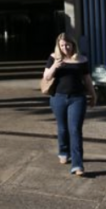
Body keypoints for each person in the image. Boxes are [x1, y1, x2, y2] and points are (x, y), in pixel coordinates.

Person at [42, 34, 98, 177]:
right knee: (62, 128)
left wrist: (93, 95)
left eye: (68, 45)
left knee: (75, 130)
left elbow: (87, 79)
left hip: (77, 98)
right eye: (62, 45)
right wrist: (55, 65)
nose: (65, 48)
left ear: (73, 45)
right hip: (58, 98)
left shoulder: (81, 59)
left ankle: (77, 164)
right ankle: (64, 151)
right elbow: (46, 77)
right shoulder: (53, 58)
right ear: (58, 46)